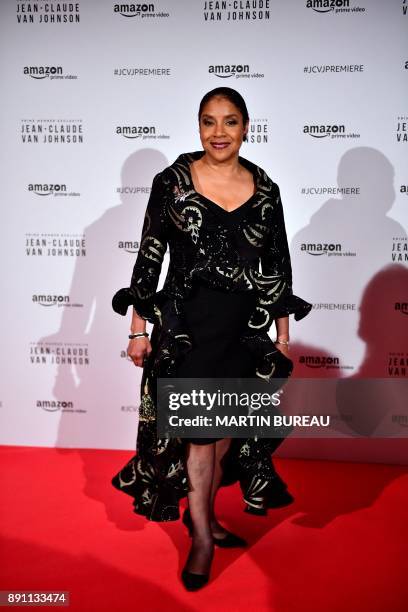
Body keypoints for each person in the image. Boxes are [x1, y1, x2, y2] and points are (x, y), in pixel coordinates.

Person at [111, 87, 312, 590]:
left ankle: (206, 515)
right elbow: (149, 256)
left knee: (226, 435)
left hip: (244, 331)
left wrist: (282, 338)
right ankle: (201, 535)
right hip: (188, 328)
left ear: (246, 127)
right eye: (208, 122)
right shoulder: (173, 183)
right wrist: (138, 328)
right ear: (198, 127)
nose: (218, 133)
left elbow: (278, 266)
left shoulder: (265, 188)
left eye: (229, 122)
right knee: (200, 436)